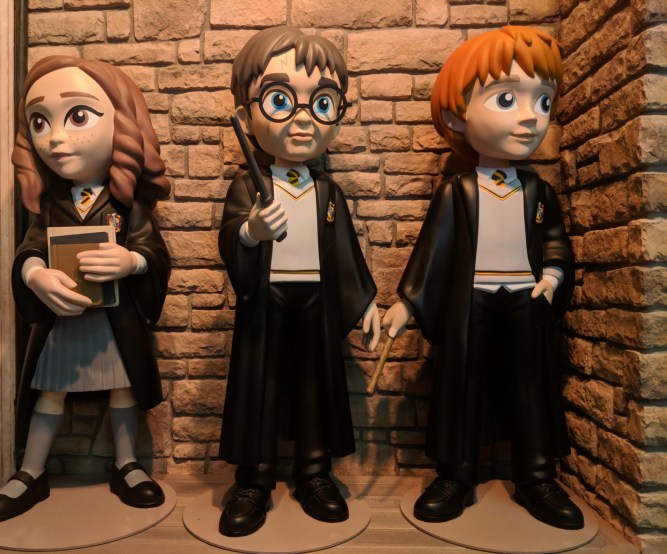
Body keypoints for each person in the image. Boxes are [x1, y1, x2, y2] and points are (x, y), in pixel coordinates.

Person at [382, 26, 583, 530]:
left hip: (526, 299)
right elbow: (432, 251)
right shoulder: (458, 192)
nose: (529, 117)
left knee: (530, 386)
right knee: (462, 384)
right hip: (468, 302)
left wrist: (553, 276)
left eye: (542, 102)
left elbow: (555, 242)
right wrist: (408, 302)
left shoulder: (538, 192)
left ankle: (536, 476)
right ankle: (454, 474)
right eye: (507, 99)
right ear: (456, 116)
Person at [0, 56, 171, 523]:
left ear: (123, 124)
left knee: (122, 388)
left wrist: (131, 261)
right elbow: (29, 249)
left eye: (78, 116)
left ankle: (127, 464)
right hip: (64, 323)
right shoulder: (50, 206)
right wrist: (34, 275)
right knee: (50, 391)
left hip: (113, 322)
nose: (55, 138)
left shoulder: (126, 207)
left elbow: (154, 252)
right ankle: (30, 471)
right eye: (39, 122)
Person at [218, 26, 380, 537]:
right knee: (261, 385)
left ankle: (313, 471)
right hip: (264, 301)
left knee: (314, 385)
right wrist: (251, 231)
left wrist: (364, 303)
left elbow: (346, 253)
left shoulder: (328, 193)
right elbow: (230, 240)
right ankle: (254, 478)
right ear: (247, 115)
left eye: (323, 103)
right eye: (281, 100)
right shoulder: (248, 185)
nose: (305, 118)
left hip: (316, 301)